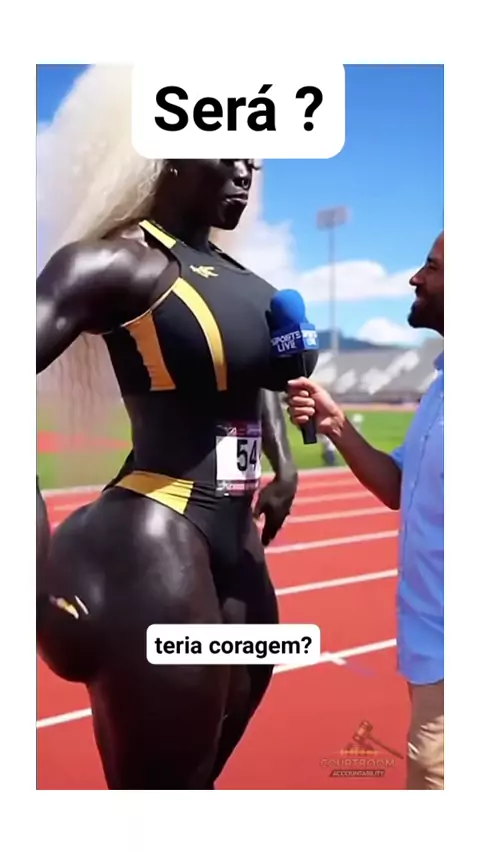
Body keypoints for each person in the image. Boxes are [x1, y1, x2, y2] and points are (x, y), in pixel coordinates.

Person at [36, 66, 318, 789]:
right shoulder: (116, 262)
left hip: (239, 546)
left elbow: (250, 378)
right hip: (155, 534)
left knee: (200, 781)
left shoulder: (243, 279)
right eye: (228, 152)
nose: (245, 171)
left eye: (254, 158)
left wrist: (283, 462)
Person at [287, 232, 444, 790]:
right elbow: (398, 485)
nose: (415, 278)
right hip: (428, 652)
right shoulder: (444, 387)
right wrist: (336, 426)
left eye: (432, 267)